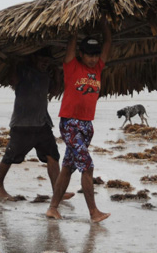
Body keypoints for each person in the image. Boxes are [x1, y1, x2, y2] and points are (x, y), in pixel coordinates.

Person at [46, 17, 112, 223]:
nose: (92, 58)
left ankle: (53, 208)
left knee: (68, 167)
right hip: (71, 123)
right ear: (81, 54)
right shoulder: (72, 66)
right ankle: (94, 213)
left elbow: (109, 42)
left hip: (86, 125)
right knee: (88, 166)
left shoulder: (98, 68)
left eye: (95, 55)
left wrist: (104, 27)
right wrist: (74, 29)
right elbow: (71, 47)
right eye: (89, 54)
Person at [0, 47, 74, 201]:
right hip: (22, 124)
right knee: (10, 156)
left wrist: (57, 74)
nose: (45, 63)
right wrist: (13, 64)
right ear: (33, 59)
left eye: (47, 61)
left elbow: (55, 92)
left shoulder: (46, 75)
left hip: (43, 123)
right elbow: (12, 81)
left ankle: (58, 191)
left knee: (52, 156)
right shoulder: (23, 71)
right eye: (42, 60)